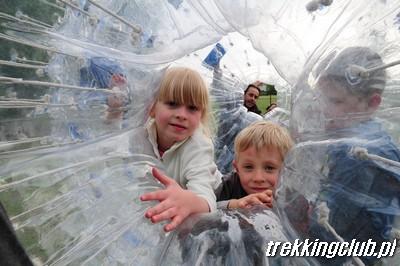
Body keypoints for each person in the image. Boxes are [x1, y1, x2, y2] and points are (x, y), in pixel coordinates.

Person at [306, 47, 400, 265]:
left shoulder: (357, 153)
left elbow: (329, 225)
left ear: (372, 103)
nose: (325, 110)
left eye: (336, 101)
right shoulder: (374, 137)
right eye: (322, 99)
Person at [139, 67, 222, 232]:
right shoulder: (142, 132)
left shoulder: (198, 146)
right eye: (172, 103)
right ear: (152, 107)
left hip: (216, 189)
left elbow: (207, 200)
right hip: (173, 191)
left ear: (201, 115)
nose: (182, 115)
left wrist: (189, 201)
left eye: (192, 108)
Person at [215, 120, 294, 209]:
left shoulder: (291, 196)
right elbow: (207, 209)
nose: (258, 178)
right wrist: (234, 204)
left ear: (285, 170)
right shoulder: (228, 187)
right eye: (248, 167)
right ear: (237, 168)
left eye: (269, 168)